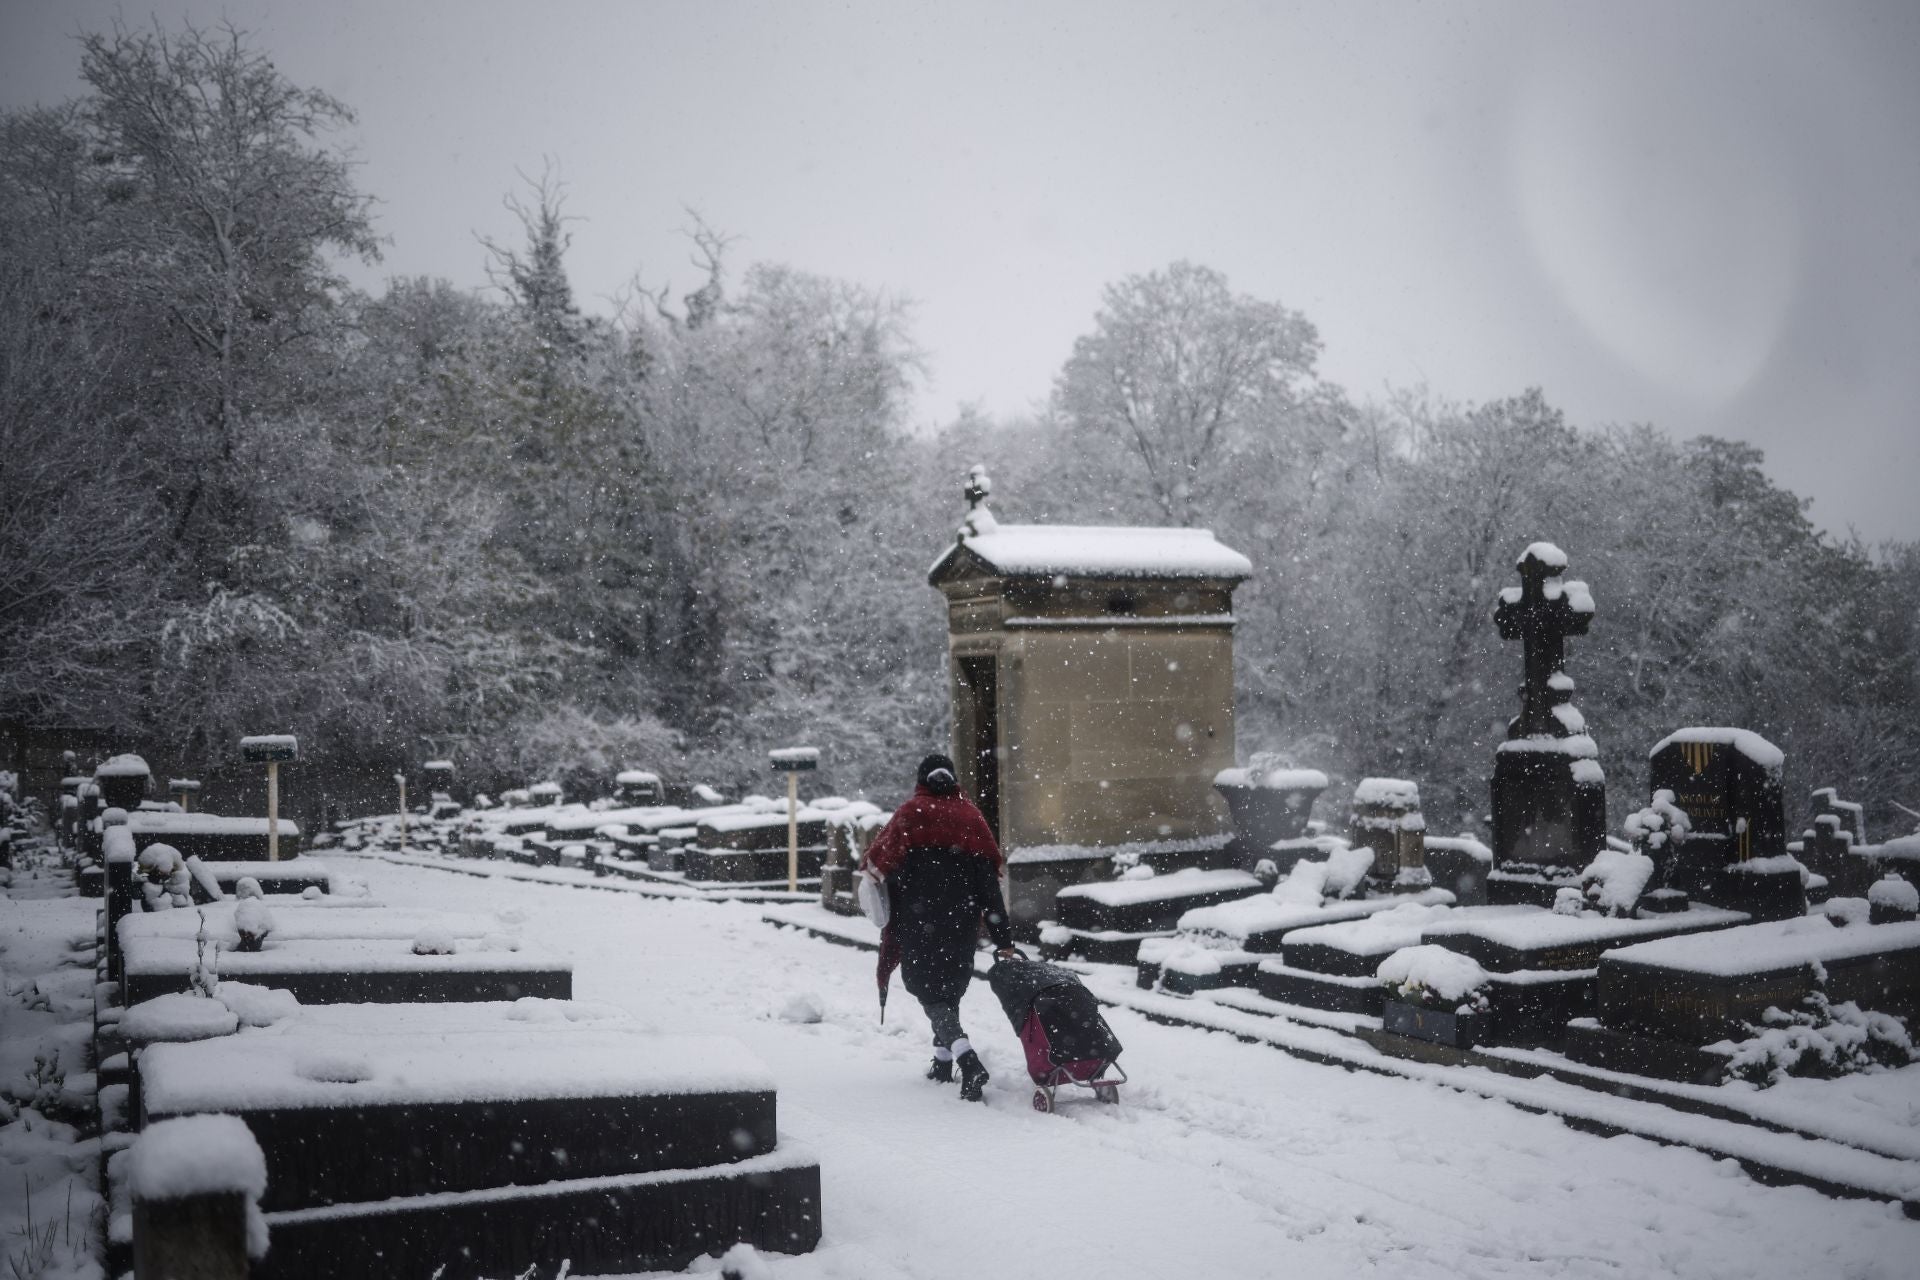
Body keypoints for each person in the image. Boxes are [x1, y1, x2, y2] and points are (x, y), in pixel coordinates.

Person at [863, 752, 1015, 1102]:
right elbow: (989, 886)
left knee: (927, 990)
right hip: (962, 923)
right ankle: (943, 1062)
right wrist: (1002, 937)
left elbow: (881, 865)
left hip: (919, 920)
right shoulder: (971, 818)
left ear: (922, 780)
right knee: (949, 988)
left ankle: (967, 1058)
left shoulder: (910, 815)